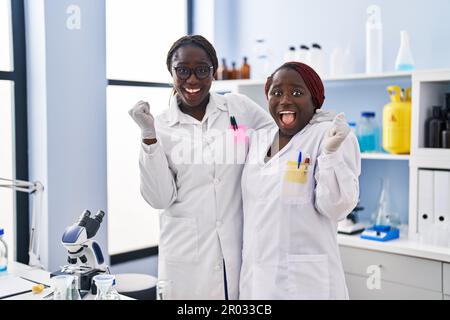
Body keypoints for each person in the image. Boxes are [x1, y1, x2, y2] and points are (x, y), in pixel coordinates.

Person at [128, 35, 334, 299]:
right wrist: (149, 136)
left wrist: (317, 118)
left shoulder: (238, 107)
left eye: (202, 70)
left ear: (214, 73)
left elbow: (284, 130)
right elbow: (159, 198)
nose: (192, 80)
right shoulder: (161, 126)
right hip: (187, 259)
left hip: (239, 250)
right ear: (172, 72)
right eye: (182, 70)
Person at [239, 62, 361, 300]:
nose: (285, 100)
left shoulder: (329, 135)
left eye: (297, 92)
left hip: (305, 285)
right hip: (257, 280)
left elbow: (337, 207)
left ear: (315, 100)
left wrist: (331, 156)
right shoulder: (260, 139)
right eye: (276, 93)